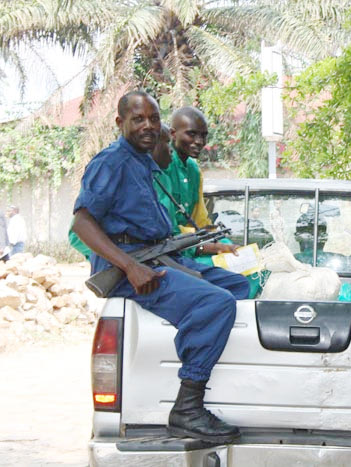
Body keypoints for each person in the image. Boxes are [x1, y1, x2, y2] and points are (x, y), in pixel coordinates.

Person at [71, 90, 250, 444]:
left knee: (239, 286)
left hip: (156, 256)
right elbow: (82, 223)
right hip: (131, 269)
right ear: (120, 123)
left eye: (154, 119)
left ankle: (208, 365)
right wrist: (131, 268)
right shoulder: (112, 162)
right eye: (138, 119)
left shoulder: (142, 161)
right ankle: (187, 406)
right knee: (216, 303)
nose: (148, 126)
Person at [156, 106, 263, 298]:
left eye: (203, 136)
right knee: (239, 275)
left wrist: (219, 242)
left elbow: (201, 220)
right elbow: (168, 231)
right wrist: (213, 247)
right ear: (172, 134)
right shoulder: (163, 164)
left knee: (254, 264)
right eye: (191, 134)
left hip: (193, 244)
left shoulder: (193, 168)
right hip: (175, 252)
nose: (199, 142)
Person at [69, 123, 172, 260]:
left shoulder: (161, 178)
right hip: (128, 261)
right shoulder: (111, 167)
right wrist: (120, 259)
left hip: (159, 255)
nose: (171, 150)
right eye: (167, 143)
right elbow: (79, 232)